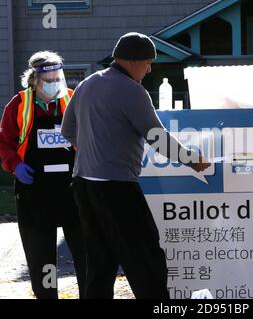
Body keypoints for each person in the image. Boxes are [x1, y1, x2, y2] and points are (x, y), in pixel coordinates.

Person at [61, 32, 211, 299]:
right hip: (116, 187)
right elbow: (157, 138)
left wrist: (89, 148)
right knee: (146, 259)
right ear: (132, 61)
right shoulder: (132, 90)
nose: (149, 68)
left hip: (83, 184)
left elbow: (67, 129)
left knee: (100, 262)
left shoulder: (87, 83)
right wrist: (192, 160)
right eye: (147, 62)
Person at [0, 51, 86, 299]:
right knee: (42, 258)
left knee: (86, 252)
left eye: (58, 77)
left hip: (72, 187)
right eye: (48, 79)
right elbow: (4, 141)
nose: (54, 83)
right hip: (35, 191)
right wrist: (14, 165)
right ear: (34, 80)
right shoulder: (19, 104)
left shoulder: (71, 100)